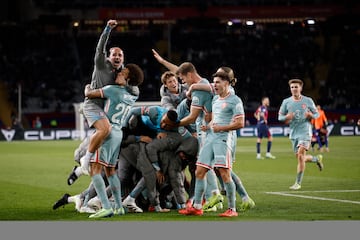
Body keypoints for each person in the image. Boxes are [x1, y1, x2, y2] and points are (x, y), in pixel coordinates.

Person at [179, 70, 245, 217]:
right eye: (214, 82)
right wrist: (208, 126)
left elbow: (240, 123)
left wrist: (222, 128)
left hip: (223, 140)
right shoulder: (215, 100)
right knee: (199, 171)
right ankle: (197, 207)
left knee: (224, 174)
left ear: (226, 83)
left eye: (218, 82)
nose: (214, 85)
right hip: (210, 138)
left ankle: (232, 209)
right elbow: (214, 120)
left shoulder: (235, 100)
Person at [78, 19, 139, 176]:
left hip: (105, 111)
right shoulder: (101, 64)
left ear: (123, 59)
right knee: (104, 131)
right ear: (109, 57)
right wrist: (107, 30)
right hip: (93, 104)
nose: (117, 57)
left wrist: (125, 83)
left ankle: (79, 165)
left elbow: (136, 90)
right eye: (114, 55)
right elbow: (100, 48)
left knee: (103, 141)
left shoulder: (122, 75)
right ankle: (84, 158)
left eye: (120, 55)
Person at [83, 63, 144, 218]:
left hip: (107, 133)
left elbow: (89, 94)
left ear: (128, 78)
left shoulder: (112, 90)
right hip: (118, 134)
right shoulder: (132, 96)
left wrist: (87, 86)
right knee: (110, 171)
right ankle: (118, 206)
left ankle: (105, 206)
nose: (118, 73)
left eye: (122, 72)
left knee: (94, 170)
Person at [278, 79, 324, 191]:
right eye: (292, 87)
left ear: (301, 88)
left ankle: (297, 183)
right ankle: (316, 159)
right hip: (294, 133)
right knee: (301, 158)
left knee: (300, 156)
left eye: (296, 87)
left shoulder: (308, 100)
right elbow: (280, 117)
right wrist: (287, 117)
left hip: (305, 132)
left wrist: (310, 115)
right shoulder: (286, 102)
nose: (294, 89)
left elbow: (317, 114)